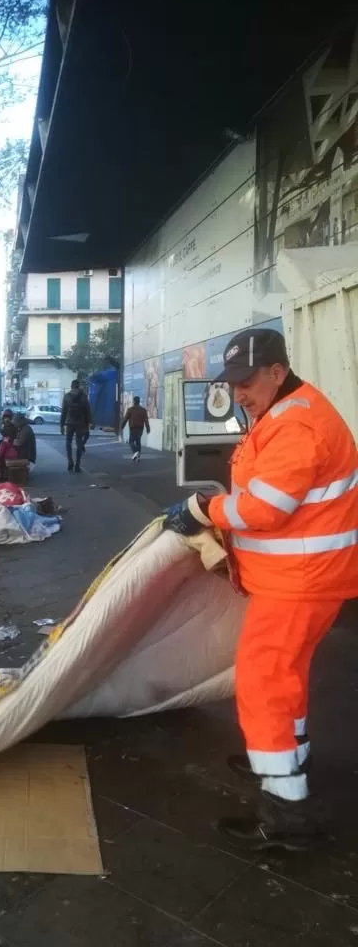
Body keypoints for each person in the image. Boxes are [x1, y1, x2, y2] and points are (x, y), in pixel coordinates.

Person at [163, 329, 358, 852]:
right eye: (234, 383)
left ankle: (289, 816)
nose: (240, 393)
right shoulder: (284, 412)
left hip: (299, 583)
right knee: (284, 677)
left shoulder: (297, 424)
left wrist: (201, 510)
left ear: (277, 371)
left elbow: (266, 509)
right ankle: (286, 760)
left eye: (247, 382)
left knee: (263, 684)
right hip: (302, 581)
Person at [60, 380, 93, 473]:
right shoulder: (83, 396)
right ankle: (77, 465)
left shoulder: (67, 396)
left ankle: (70, 461)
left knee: (68, 442)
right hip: (80, 423)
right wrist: (89, 422)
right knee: (79, 444)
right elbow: (88, 410)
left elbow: (63, 412)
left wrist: (61, 425)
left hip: (69, 423)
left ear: (71, 386)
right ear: (78, 386)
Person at [121, 396, 150, 460]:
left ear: (134, 401)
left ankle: (135, 452)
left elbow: (125, 419)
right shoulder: (143, 410)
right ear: (139, 402)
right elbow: (146, 420)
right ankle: (138, 456)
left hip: (133, 428)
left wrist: (122, 426)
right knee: (138, 441)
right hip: (140, 428)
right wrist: (148, 428)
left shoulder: (130, 410)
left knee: (131, 441)